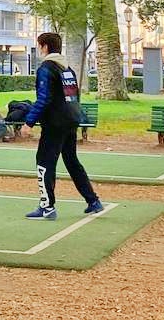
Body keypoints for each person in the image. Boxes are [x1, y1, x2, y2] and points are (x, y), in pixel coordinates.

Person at [22, 33, 102, 220]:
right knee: (71, 161)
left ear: (45, 47)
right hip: (70, 121)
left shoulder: (46, 69)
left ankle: (47, 206)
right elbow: (73, 97)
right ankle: (93, 200)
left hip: (55, 123)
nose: (39, 49)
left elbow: (44, 98)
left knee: (44, 162)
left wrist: (29, 122)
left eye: (40, 46)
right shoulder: (67, 69)